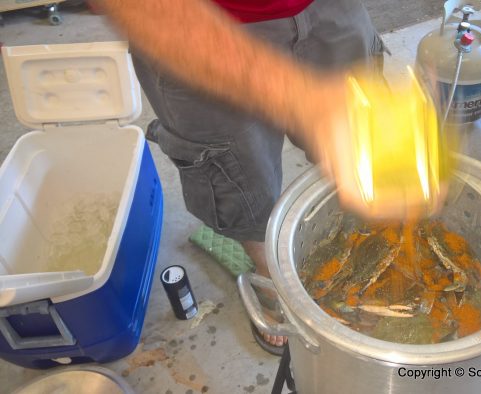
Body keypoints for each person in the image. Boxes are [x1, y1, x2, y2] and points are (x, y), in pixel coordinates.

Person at [95, 0, 390, 354]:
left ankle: (365, 244)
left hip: (327, 8)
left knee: (361, 152)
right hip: (198, 21)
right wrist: (289, 92)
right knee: (242, 182)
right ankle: (268, 272)